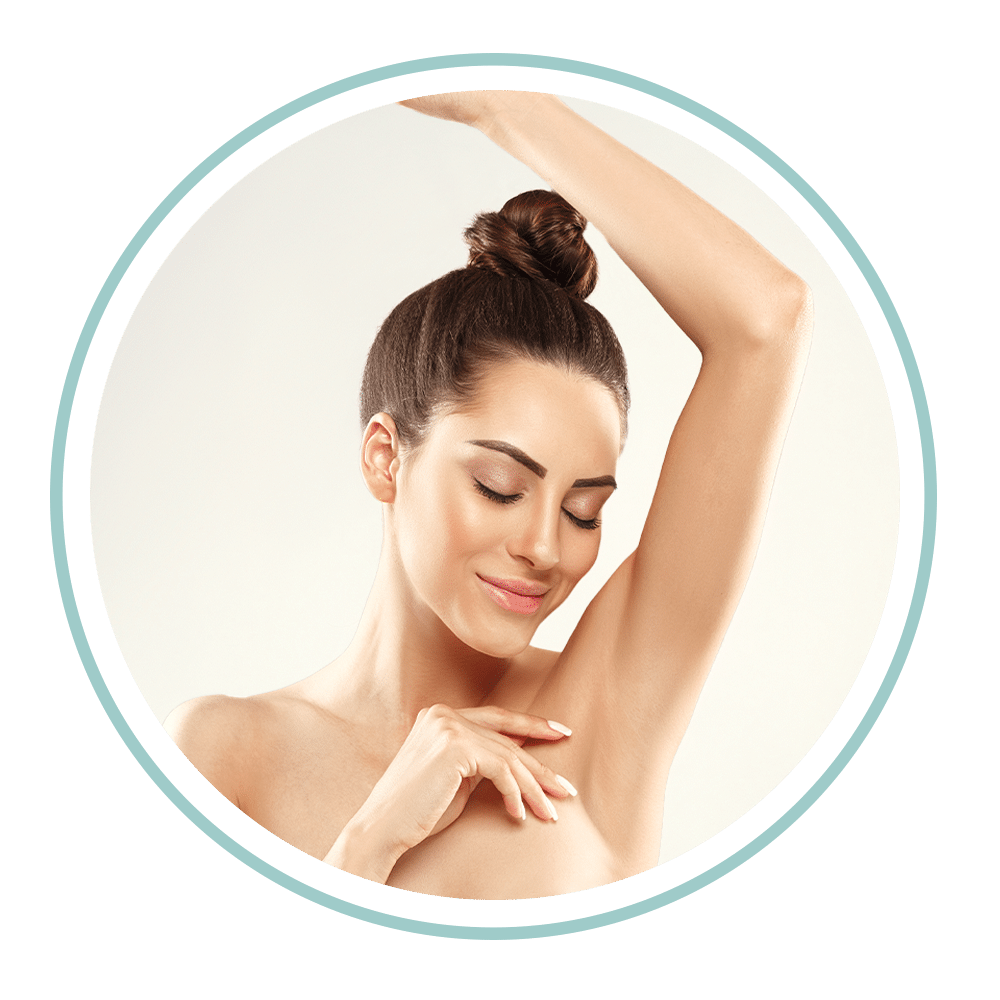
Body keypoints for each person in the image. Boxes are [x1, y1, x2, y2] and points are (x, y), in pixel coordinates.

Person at [165, 91, 813, 899]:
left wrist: (495, 101)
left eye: (585, 509)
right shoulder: (224, 752)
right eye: (500, 487)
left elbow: (766, 319)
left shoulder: (600, 707)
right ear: (384, 459)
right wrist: (369, 843)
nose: (546, 548)